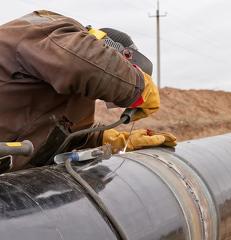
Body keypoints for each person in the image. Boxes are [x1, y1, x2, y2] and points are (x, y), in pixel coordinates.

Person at [0, 10, 176, 172]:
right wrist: (137, 85)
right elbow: (80, 64)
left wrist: (105, 139)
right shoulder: (52, 31)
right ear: (121, 56)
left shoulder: (72, 94)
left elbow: (67, 136)